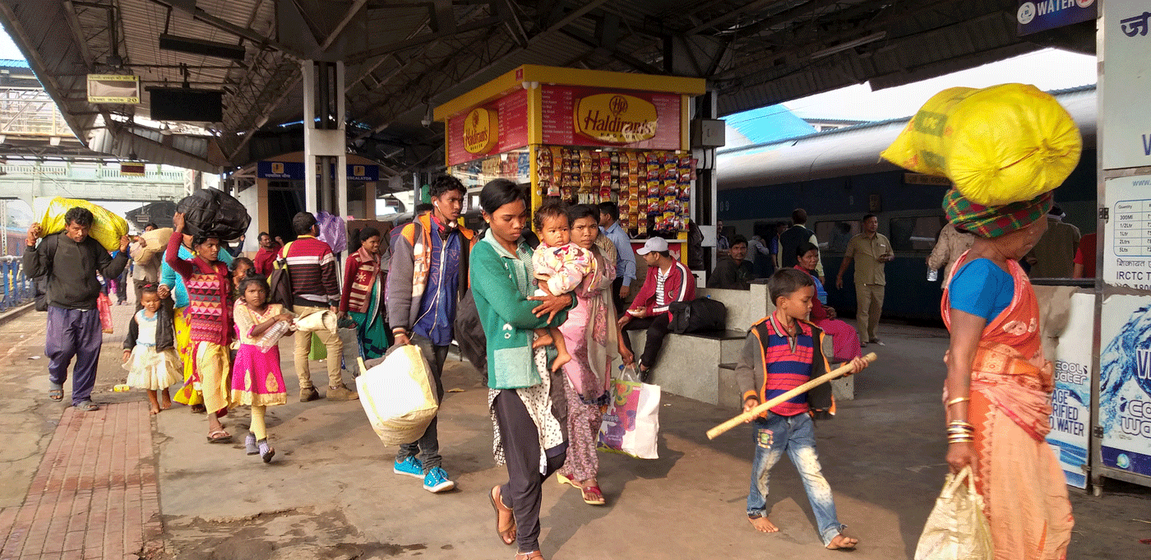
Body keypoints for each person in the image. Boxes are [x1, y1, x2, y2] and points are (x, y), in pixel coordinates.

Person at [939, 189, 1073, 558]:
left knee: (1030, 505)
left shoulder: (1003, 266)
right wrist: (959, 436)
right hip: (993, 413)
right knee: (1006, 514)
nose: (1042, 231)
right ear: (1026, 227)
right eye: (1042, 222)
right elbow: (961, 358)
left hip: (1012, 407)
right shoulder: (981, 273)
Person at [470, 179, 574, 560]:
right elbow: (513, 311)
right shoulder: (483, 256)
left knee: (559, 452)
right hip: (512, 368)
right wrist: (558, 304)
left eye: (522, 217)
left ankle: (505, 496)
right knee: (528, 465)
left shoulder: (533, 247)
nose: (517, 225)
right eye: (507, 218)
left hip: (547, 361)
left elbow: (570, 287)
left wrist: (563, 298)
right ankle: (529, 548)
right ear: (486, 217)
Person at [735, 268, 867, 550]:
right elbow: (745, 367)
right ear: (783, 302)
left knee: (813, 473)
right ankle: (755, 510)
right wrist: (750, 398)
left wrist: (847, 368)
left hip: (800, 419)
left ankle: (831, 532)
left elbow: (823, 371)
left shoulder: (812, 333)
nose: (811, 306)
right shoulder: (761, 333)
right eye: (806, 300)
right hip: (769, 419)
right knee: (764, 466)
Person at [387, 174, 478, 493]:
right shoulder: (412, 235)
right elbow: (398, 284)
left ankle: (404, 454)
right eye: (451, 200)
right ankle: (432, 466)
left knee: (431, 397)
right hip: (417, 329)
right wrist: (399, 329)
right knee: (428, 396)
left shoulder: (466, 238)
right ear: (436, 201)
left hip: (445, 329)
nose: (457, 206)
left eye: (461, 201)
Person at [556, 204, 634, 507]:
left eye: (591, 227)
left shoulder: (602, 259)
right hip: (570, 342)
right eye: (579, 228)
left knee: (593, 412)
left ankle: (571, 466)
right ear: (569, 231)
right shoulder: (561, 260)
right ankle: (588, 475)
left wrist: (622, 344)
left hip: (599, 344)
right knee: (581, 411)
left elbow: (608, 302)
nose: (587, 233)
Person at [24, 207, 130, 411]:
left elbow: (109, 271)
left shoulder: (93, 246)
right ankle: (56, 376)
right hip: (60, 308)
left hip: (89, 308)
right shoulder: (52, 243)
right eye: (76, 228)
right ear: (67, 227)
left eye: (84, 229)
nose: (80, 233)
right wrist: (30, 245)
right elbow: (33, 270)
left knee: (89, 353)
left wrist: (123, 253)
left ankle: (82, 397)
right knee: (61, 349)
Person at [165, 212, 234, 443]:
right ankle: (213, 424)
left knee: (222, 377)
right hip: (204, 335)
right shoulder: (191, 269)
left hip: (225, 335)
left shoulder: (223, 269)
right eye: (209, 245)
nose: (214, 249)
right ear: (197, 248)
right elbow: (171, 259)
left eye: (217, 245)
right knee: (212, 376)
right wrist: (178, 229)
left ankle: (218, 415)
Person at [280, 211, 357, 402]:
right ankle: (335, 386)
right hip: (318, 307)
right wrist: (335, 303)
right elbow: (329, 279)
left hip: (295, 307)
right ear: (313, 228)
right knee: (334, 344)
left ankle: (305, 388)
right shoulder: (323, 248)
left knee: (301, 349)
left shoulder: (285, 250)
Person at [232, 274, 293, 464]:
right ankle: (263, 444)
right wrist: (276, 319)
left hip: (268, 358)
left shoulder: (276, 309)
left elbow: (286, 332)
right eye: (251, 291)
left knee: (261, 401)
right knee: (256, 403)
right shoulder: (241, 310)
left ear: (266, 292)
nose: (256, 295)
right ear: (243, 294)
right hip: (249, 358)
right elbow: (252, 331)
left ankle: (250, 438)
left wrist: (290, 325)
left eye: (260, 291)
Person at [618, 237, 696, 382]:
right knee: (619, 322)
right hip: (653, 310)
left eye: (647, 254)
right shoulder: (653, 269)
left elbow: (678, 304)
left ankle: (644, 367)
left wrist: (648, 312)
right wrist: (629, 314)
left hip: (673, 314)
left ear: (656, 255)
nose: (644, 257)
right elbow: (644, 292)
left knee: (654, 332)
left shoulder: (681, 271)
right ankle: (630, 361)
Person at [532, 201, 593, 373]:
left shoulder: (574, 252)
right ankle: (554, 345)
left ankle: (559, 348)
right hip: (546, 289)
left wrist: (553, 286)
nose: (559, 235)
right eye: (553, 231)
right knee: (538, 313)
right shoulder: (542, 249)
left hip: (560, 293)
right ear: (541, 233)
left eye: (564, 229)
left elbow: (574, 274)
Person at [121, 283, 181, 415]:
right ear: (142, 301)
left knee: (163, 375)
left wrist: (165, 297)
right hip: (144, 352)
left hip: (161, 350)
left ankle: (165, 392)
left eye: (156, 300)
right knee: (147, 379)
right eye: (148, 301)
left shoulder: (164, 313)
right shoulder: (138, 316)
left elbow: (169, 305)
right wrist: (127, 348)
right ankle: (154, 403)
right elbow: (131, 334)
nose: (152, 304)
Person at [795, 243, 861, 362]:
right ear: (799, 258)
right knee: (847, 330)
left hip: (804, 317)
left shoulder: (796, 272)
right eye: (809, 257)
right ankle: (839, 365)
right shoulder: (804, 278)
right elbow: (813, 308)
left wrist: (823, 309)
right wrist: (826, 313)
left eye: (816, 256)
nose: (813, 260)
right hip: (807, 321)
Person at [835, 214, 893, 347]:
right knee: (863, 310)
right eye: (871, 222)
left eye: (876, 222)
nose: (874, 224)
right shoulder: (856, 240)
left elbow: (892, 254)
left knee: (876, 310)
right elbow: (847, 259)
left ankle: (873, 335)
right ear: (864, 224)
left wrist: (888, 258)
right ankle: (864, 338)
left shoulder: (883, 239)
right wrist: (839, 276)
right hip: (862, 281)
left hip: (879, 281)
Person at [340, 227, 392, 361]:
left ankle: (371, 366)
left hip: (374, 309)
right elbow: (347, 285)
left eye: (378, 241)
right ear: (363, 242)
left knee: (376, 338)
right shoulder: (354, 259)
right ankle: (358, 369)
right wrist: (342, 309)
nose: (376, 245)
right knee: (357, 339)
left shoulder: (378, 258)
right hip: (357, 308)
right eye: (372, 242)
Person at [597, 201, 636, 315]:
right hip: (608, 278)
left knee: (616, 311)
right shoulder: (602, 232)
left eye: (599, 215)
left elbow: (629, 261)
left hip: (618, 279)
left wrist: (626, 284)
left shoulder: (619, 235)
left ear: (607, 216)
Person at [1025, 206, 1081, 278]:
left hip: (1039, 279)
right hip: (1066, 279)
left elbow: (1029, 257)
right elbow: (1079, 256)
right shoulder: (1071, 229)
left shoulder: (1033, 230)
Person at [778, 209, 824, 281]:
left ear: (792, 220)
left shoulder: (783, 236)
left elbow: (780, 256)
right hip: (805, 274)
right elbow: (816, 254)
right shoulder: (809, 235)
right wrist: (821, 273)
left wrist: (781, 271)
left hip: (787, 274)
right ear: (806, 220)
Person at [130, 223, 162, 309]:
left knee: (154, 302)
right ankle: (137, 321)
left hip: (152, 278)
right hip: (139, 277)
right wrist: (140, 242)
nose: (148, 231)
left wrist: (150, 249)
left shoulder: (160, 244)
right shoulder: (138, 241)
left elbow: (159, 261)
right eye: (147, 230)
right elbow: (130, 239)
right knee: (140, 302)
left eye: (151, 230)